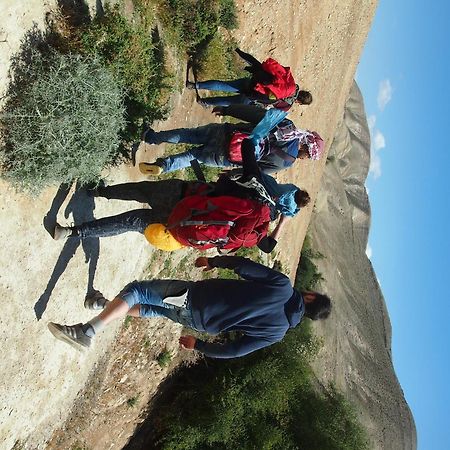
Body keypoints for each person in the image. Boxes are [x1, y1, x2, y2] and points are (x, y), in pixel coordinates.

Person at [48, 256, 332, 358]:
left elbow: (244, 267)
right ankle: (101, 304)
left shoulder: (283, 286)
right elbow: (235, 350)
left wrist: (213, 262)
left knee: (137, 291)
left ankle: (87, 332)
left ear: (309, 298)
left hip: (195, 297)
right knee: (151, 308)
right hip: (200, 323)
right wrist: (199, 346)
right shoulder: (277, 333)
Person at [52, 140, 311, 248]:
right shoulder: (259, 231)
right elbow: (267, 248)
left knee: (141, 191)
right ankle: (73, 232)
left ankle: (99, 191)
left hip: (187, 195)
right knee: (130, 221)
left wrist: (258, 140)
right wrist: (282, 224)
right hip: (182, 224)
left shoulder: (258, 189)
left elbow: (246, 146)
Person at [138, 104, 322, 176]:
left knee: (188, 134)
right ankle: (163, 166)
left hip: (228, 133)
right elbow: (255, 171)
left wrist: (228, 110)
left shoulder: (287, 125)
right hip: (227, 157)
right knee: (193, 156)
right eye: (308, 156)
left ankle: (151, 137)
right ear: (306, 149)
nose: (305, 159)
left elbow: (254, 114)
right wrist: (231, 175)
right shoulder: (286, 162)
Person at [187, 48, 312, 111]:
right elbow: (270, 107)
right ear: (299, 102)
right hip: (254, 96)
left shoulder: (291, 83)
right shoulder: (287, 105)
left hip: (255, 81)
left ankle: (195, 85)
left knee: (224, 85)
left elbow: (277, 71)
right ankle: (204, 102)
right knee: (228, 101)